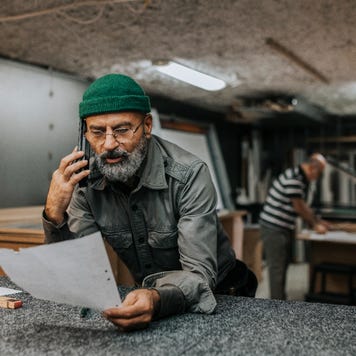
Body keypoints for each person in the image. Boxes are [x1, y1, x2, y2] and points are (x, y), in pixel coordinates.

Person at [43, 73, 257, 332]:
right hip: (149, 299)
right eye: (98, 132)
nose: (109, 144)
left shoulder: (189, 174)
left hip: (222, 293)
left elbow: (199, 275)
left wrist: (155, 298)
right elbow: (79, 271)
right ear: (84, 134)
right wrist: (54, 214)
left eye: (121, 130)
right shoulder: (84, 182)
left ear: (147, 125)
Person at [259, 153, 330, 300]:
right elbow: (299, 207)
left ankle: (280, 301)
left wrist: (317, 220)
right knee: (277, 268)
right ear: (313, 169)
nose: (318, 177)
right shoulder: (295, 178)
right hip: (273, 227)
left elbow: (303, 205)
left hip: (281, 227)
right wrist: (315, 224)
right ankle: (277, 307)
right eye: (320, 173)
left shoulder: (299, 177)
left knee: (283, 265)